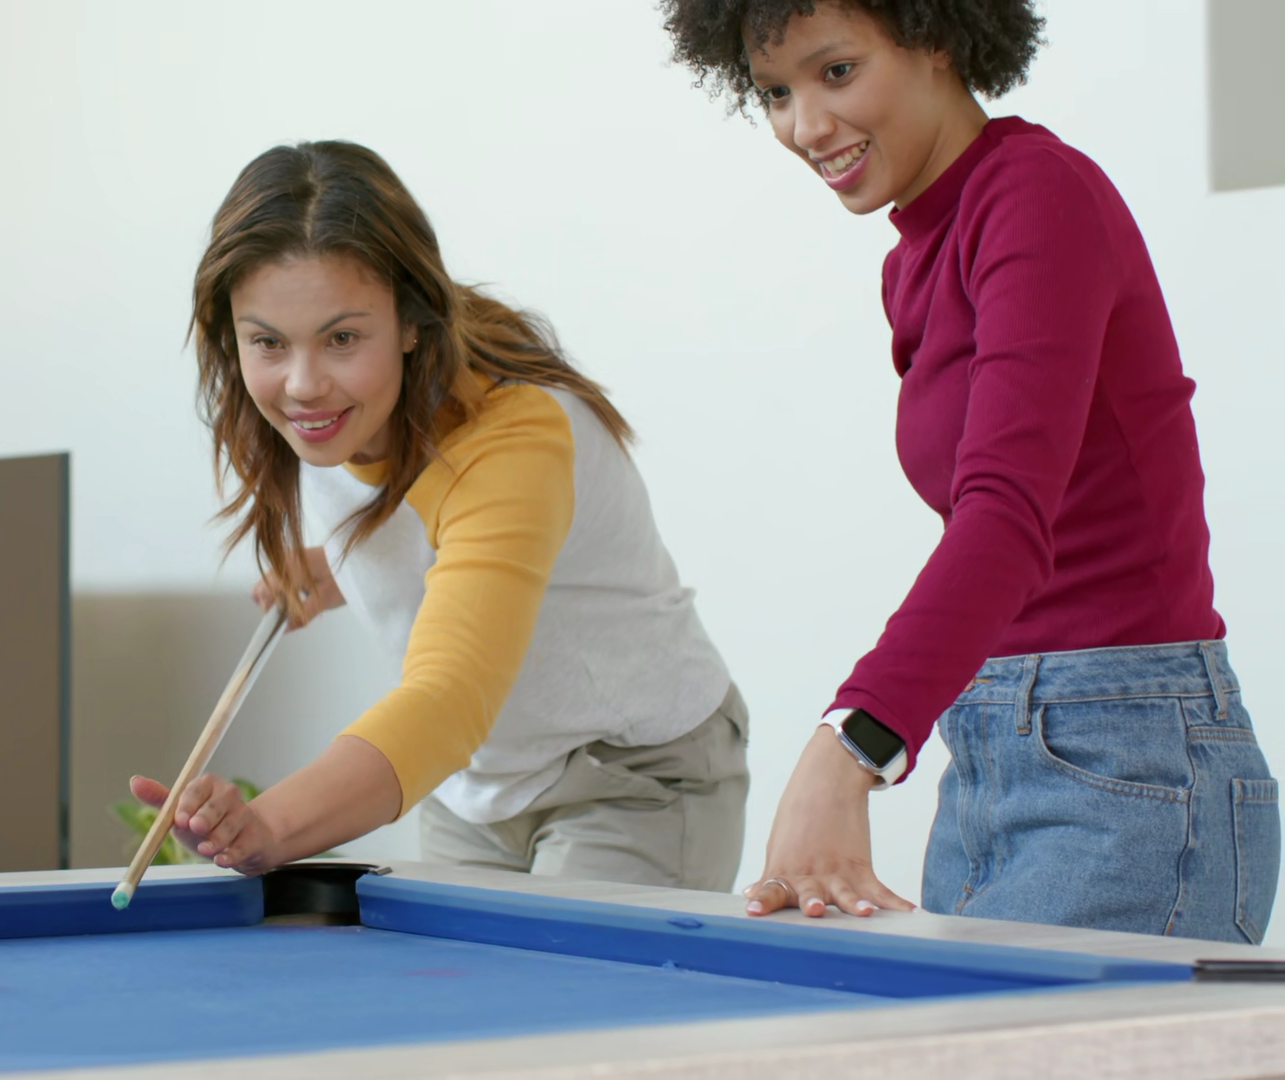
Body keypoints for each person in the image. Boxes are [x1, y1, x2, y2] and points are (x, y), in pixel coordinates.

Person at [658, 0, 1278, 942]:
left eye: (836, 72)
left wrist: (850, 743)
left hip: (1127, 760)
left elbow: (1005, 518)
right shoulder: (918, 252)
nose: (806, 126)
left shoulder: (1037, 194)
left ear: (937, 36)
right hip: (991, 745)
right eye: (775, 92)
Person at [129, 140, 747, 889]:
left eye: (342, 338)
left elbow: (446, 699)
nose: (302, 384)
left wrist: (271, 826)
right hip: (471, 791)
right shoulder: (323, 409)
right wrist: (343, 568)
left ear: (412, 321)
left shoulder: (514, 437)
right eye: (268, 342)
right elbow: (442, 533)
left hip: (630, 774)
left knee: (549, 975)